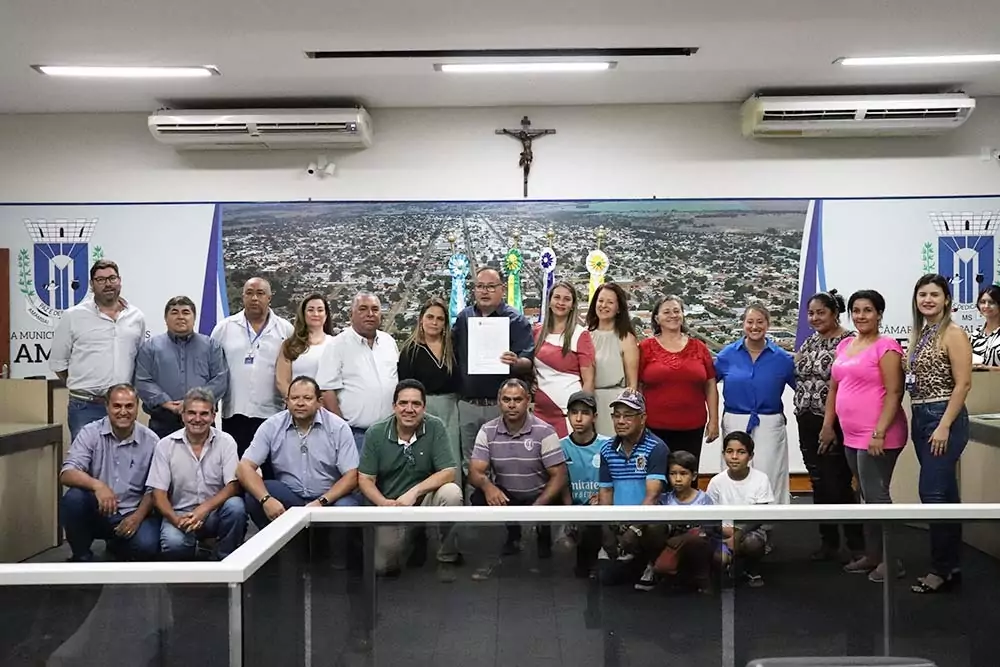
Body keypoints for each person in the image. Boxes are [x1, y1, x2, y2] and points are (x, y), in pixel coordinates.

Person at [822, 289, 907, 583]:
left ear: (879, 314)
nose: (861, 316)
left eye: (868, 310)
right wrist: (828, 424)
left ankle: (891, 561)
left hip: (880, 434)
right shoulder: (845, 344)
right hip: (851, 435)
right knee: (864, 496)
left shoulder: (887, 346)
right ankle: (873, 555)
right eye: (856, 310)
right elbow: (834, 388)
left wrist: (879, 432)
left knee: (877, 497)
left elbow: (895, 392)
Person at [905, 274, 973, 594]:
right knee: (945, 494)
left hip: (943, 417)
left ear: (946, 299)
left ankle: (940, 568)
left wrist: (944, 424)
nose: (928, 300)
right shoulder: (921, 334)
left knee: (931, 494)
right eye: (922, 295)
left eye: (934, 294)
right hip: (921, 417)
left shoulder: (953, 333)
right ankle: (952, 566)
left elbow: (963, 384)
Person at [358, 379, 463, 582]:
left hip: (423, 499)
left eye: (416, 404)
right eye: (403, 403)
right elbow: (365, 479)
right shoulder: (376, 432)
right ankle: (413, 537)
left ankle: (447, 553)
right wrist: (384, 504)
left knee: (452, 493)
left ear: (424, 407)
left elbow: (449, 472)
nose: (409, 409)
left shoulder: (435, 426)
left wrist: (414, 492)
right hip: (391, 504)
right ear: (394, 406)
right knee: (382, 566)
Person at [468, 379, 567, 579]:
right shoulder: (487, 430)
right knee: (478, 496)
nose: (511, 405)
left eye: (517, 400)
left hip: (539, 492)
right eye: (506, 400)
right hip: (508, 493)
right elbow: (474, 473)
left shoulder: (544, 431)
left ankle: (543, 532)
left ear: (528, 401)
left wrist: (538, 507)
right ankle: (510, 536)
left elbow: (559, 475)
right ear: (499, 402)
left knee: (551, 498)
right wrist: (488, 487)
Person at [793, 290, 865, 562]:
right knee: (819, 483)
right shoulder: (810, 342)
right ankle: (829, 543)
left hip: (833, 424)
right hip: (806, 421)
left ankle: (856, 546)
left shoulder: (848, 342)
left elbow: (844, 386)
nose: (815, 318)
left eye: (821, 312)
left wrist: (829, 425)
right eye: (811, 313)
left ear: (835, 313)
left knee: (839, 484)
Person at [238, 376, 360, 530]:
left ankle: (333, 553)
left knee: (347, 507)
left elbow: (351, 476)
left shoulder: (339, 427)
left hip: (329, 498)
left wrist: (321, 502)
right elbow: (244, 467)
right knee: (255, 496)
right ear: (286, 401)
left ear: (319, 402)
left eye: (307, 398)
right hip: (290, 495)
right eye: (294, 398)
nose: (300, 403)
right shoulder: (271, 426)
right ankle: (282, 548)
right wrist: (266, 499)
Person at [452, 267, 535, 485]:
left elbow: (529, 361)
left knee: (503, 464)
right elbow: (451, 354)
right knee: (469, 464)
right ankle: (473, 515)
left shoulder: (515, 320)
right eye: (480, 286)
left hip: (501, 407)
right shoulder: (464, 318)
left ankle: (503, 514)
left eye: (491, 286)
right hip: (467, 405)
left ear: (501, 290)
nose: (485, 291)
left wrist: (516, 362)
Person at [59, 383, 160, 562]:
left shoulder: (151, 441)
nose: (123, 411)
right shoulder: (90, 433)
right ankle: (81, 556)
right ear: (107, 407)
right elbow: (67, 473)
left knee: (147, 547)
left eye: (129, 406)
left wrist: (137, 517)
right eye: (117, 406)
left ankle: (118, 544)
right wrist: (98, 486)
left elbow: (155, 488)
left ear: (137, 408)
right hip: (98, 510)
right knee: (74, 499)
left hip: (132, 512)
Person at [50, 259, 146, 442]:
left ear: (120, 280)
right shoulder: (73, 316)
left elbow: (139, 361)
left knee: (121, 461)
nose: (108, 284)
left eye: (112, 278)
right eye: (100, 280)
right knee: (85, 463)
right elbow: (59, 363)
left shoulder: (136, 317)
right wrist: (85, 386)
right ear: (91, 284)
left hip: (122, 408)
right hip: (85, 406)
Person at [147, 388, 247, 560]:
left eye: (204, 413)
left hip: (214, 512)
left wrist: (203, 509)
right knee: (174, 544)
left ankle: (224, 560)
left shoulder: (226, 442)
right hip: (179, 514)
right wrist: (176, 520)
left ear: (213, 415)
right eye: (192, 413)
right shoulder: (165, 445)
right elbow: (158, 494)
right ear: (183, 415)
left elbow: (233, 486)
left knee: (236, 507)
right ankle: (189, 570)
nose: (197, 419)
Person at [715, 303, 795, 504]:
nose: (755, 326)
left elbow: (802, 389)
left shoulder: (782, 359)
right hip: (735, 419)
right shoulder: (726, 356)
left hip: (770, 421)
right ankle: (731, 519)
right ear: (743, 324)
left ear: (768, 324)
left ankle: (770, 522)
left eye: (760, 322)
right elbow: (707, 385)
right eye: (750, 322)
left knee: (771, 471)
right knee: (734, 471)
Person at [211, 277, 294, 460]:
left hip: (271, 413)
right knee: (236, 468)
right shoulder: (224, 328)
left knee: (269, 468)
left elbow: (291, 370)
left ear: (269, 297)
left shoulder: (286, 330)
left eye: (260, 293)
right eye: (249, 293)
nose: (254, 298)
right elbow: (213, 370)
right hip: (234, 412)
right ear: (243, 297)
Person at [597, 389, 669, 591]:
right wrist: (607, 528)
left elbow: (652, 495)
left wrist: (634, 528)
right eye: (616, 416)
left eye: (627, 416)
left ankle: (652, 564)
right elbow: (606, 492)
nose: (620, 421)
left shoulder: (657, 448)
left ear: (643, 418)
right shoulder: (606, 449)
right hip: (618, 521)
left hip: (646, 522)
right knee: (606, 579)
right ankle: (627, 559)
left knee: (655, 527)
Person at [135, 296, 229, 438]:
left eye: (185, 312)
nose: (180, 317)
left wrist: (193, 402)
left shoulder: (211, 347)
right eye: (174, 312)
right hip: (163, 421)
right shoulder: (150, 348)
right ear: (166, 318)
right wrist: (165, 401)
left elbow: (220, 379)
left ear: (194, 317)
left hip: (201, 420)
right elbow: (143, 380)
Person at [639, 295, 719, 463]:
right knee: (657, 479)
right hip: (654, 428)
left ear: (683, 315)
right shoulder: (645, 348)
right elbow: (637, 385)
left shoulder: (699, 347)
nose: (672, 315)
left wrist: (714, 420)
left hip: (692, 426)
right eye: (666, 312)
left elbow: (710, 385)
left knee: (688, 479)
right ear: (656, 318)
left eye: (677, 311)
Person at [318, 292, 399, 453]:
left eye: (375, 309)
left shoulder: (388, 342)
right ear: (351, 314)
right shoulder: (337, 345)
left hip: (392, 432)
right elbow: (327, 391)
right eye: (363, 309)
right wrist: (342, 429)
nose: (370, 314)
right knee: (358, 478)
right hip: (356, 434)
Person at [397, 297, 460, 484]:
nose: (434, 322)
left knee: (452, 456)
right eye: (430, 317)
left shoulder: (454, 347)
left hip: (451, 407)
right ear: (421, 319)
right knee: (424, 459)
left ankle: (454, 502)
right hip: (423, 409)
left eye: (440, 319)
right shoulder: (410, 350)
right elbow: (405, 387)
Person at [707, 431, 774, 588]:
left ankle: (752, 568)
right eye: (730, 452)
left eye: (741, 452)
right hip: (722, 531)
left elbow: (761, 515)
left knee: (754, 543)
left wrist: (738, 534)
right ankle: (729, 564)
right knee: (719, 559)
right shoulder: (716, 482)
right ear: (724, 454)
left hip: (750, 531)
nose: (735, 457)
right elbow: (710, 515)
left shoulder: (761, 479)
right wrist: (729, 532)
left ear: (750, 456)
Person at [558, 390, 612, 577]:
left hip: (600, 507)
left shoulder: (608, 445)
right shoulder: (560, 446)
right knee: (565, 545)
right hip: (571, 509)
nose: (579, 418)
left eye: (585, 413)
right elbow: (559, 482)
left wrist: (604, 498)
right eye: (574, 412)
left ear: (595, 417)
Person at [532, 280, 596, 437]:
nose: (561, 302)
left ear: (573, 305)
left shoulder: (581, 335)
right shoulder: (536, 332)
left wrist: (583, 414)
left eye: (566, 299)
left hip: (569, 414)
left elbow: (589, 381)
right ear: (549, 301)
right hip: (540, 413)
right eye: (557, 297)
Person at [655, 450, 714, 593]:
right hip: (671, 545)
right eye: (673, 474)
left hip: (697, 547)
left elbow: (710, 529)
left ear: (693, 476)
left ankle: (702, 579)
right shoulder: (664, 500)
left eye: (683, 473)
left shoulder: (704, 500)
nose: (678, 479)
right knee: (662, 564)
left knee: (697, 537)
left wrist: (683, 538)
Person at [586, 283, 640, 436]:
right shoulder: (585, 335)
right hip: (588, 402)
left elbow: (632, 385)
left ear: (619, 308)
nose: (604, 306)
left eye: (610, 302)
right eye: (600, 301)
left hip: (614, 405)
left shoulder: (626, 338)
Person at [276, 293, 335, 398]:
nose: (315, 314)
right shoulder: (290, 345)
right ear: (303, 314)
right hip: (297, 408)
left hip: (327, 407)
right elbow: (282, 381)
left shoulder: (335, 344)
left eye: (320, 310)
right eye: (311, 310)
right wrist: (296, 401)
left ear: (326, 315)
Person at [971, 284, 1000, 368]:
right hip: (978, 380)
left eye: (991, 302)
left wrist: (988, 369)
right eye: (982, 302)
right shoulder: (976, 334)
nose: (986, 306)